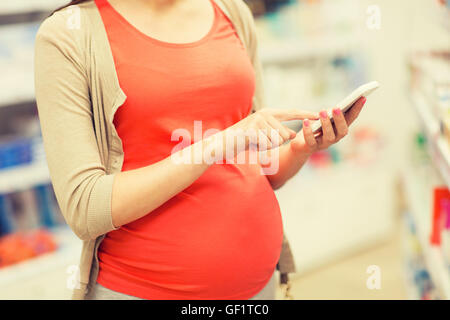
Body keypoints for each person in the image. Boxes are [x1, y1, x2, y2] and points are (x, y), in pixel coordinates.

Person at [34, 0, 366, 300]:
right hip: (144, 288)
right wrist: (217, 144)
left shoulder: (231, 11)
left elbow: (258, 166)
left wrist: (300, 148)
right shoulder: (69, 34)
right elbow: (84, 206)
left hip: (258, 286)